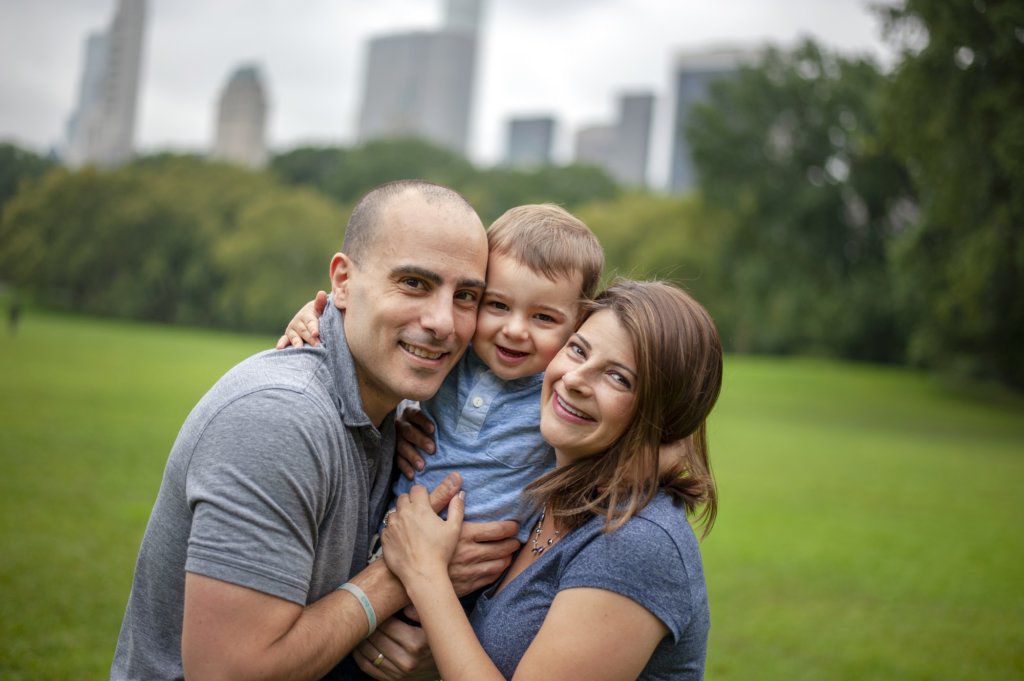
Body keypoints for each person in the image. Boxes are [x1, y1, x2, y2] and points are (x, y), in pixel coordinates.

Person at [111, 180, 521, 681]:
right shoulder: (280, 418)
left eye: (467, 297)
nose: (443, 322)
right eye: (414, 283)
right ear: (343, 282)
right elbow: (227, 673)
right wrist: (407, 576)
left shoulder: (406, 406)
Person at [381, 280, 723, 680]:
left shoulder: (637, 543)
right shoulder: (542, 486)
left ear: (666, 414)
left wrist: (426, 576)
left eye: (618, 378)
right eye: (578, 350)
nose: (576, 378)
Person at [283, 203, 604, 543]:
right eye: (497, 305)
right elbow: (362, 312)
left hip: (486, 569)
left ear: (579, 323)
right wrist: (315, 312)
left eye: (543, 318)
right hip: (392, 542)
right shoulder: (453, 351)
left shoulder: (560, 393)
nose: (515, 330)